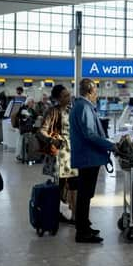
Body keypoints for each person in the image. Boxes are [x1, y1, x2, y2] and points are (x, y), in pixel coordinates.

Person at [69, 79, 115, 243]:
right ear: (89, 91)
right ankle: (82, 231)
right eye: (95, 91)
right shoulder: (84, 107)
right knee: (84, 194)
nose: (97, 94)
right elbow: (90, 134)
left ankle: (85, 225)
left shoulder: (82, 106)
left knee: (86, 194)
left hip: (87, 156)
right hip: (88, 157)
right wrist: (111, 146)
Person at [38, 85, 79, 222]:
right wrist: (51, 140)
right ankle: (54, 213)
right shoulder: (52, 112)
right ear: (58, 99)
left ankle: (74, 215)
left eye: (69, 95)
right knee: (59, 187)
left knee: (74, 185)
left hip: (72, 154)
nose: (69, 98)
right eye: (65, 96)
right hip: (58, 155)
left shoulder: (72, 110)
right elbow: (41, 130)